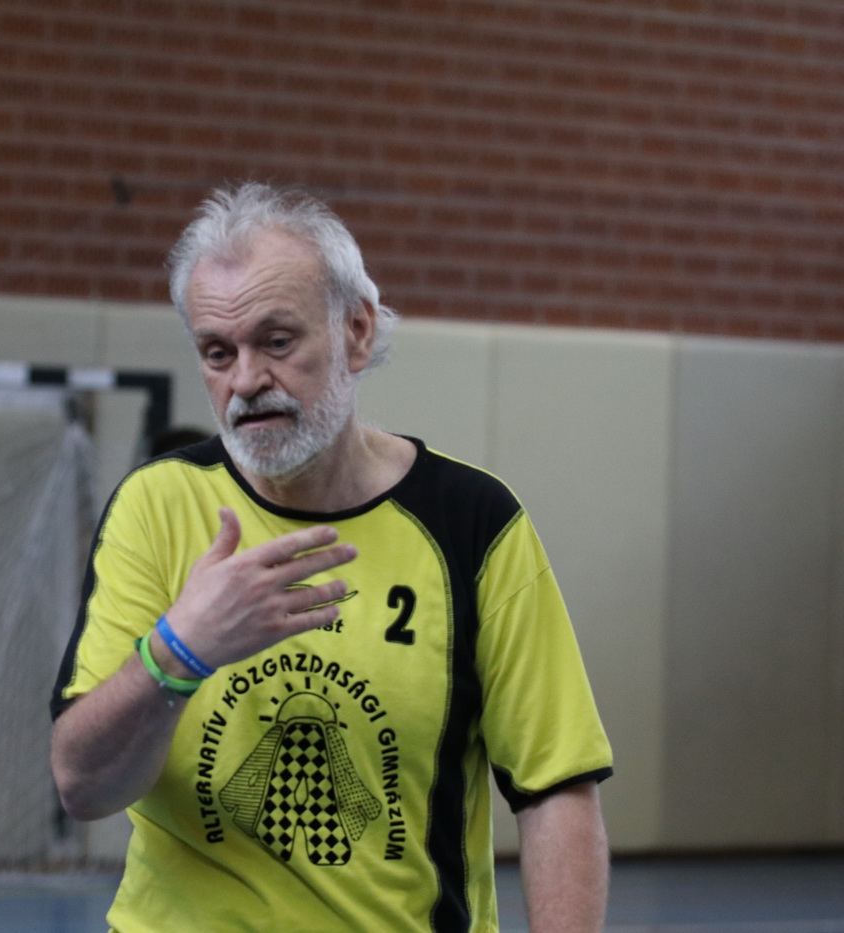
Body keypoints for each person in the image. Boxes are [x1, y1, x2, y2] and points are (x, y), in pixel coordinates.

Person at [50, 183, 612, 932]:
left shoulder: (473, 523)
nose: (246, 380)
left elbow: (555, 788)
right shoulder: (155, 506)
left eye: (277, 341)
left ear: (356, 331)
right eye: (218, 352)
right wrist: (177, 653)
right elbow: (83, 785)